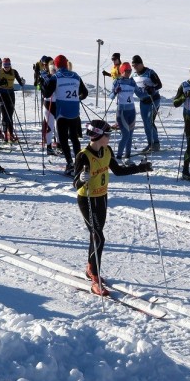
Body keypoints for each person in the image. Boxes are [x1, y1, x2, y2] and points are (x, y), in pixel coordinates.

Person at [73, 119, 152, 295]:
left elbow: (118, 170)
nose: (109, 138)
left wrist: (141, 168)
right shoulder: (83, 155)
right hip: (87, 199)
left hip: (102, 197)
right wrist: (81, 179)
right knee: (99, 237)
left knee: (96, 236)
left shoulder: (107, 150)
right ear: (98, 136)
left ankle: (90, 268)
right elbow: (75, 183)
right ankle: (94, 276)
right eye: (107, 135)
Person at [41, 55, 88, 174]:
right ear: (66, 64)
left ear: (56, 65)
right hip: (74, 112)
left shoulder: (55, 77)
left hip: (62, 112)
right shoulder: (76, 76)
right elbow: (85, 93)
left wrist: (44, 83)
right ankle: (79, 163)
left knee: (63, 139)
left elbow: (47, 94)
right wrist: (77, 99)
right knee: (74, 137)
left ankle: (70, 164)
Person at [130, 55, 163, 153]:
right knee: (145, 123)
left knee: (149, 121)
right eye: (133, 65)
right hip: (143, 101)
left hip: (153, 100)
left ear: (141, 64)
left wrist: (152, 88)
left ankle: (156, 143)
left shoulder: (150, 72)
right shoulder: (134, 76)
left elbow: (159, 85)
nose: (135, 67)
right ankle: (150, 143)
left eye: (136, 65)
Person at [111, 61, 141, 165]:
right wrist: (115, 91)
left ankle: (127, 157)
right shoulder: (117, 82)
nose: (129, 73)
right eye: (127, 71)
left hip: (132, 111)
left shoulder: (132, 82)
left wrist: (150, 91)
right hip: (122, 112)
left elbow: (140, 94)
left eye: (130, 71)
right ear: (122, 71)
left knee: (130, 135)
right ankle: (118, 157)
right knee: (126, 135)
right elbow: (111, 96)